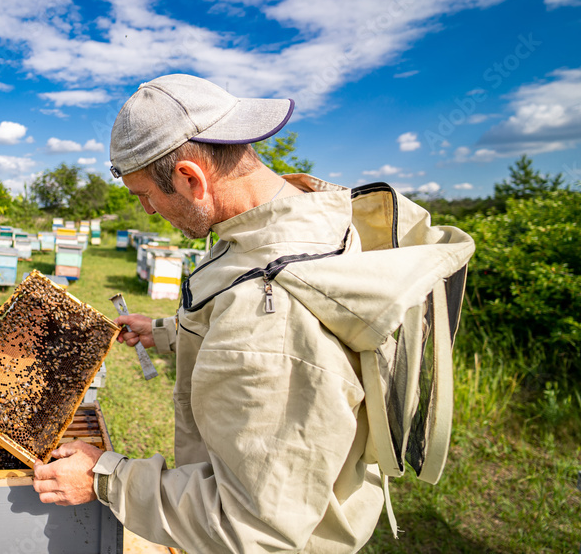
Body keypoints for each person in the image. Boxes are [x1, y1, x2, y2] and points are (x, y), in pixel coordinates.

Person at [32, 74, 468, 553]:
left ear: (190, 179)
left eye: (144, 195)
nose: (150, 211)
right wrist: (166, 333)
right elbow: (238, 316)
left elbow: (251, 526)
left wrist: (104, 478)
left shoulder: (272, 313)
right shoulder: (293, 222)